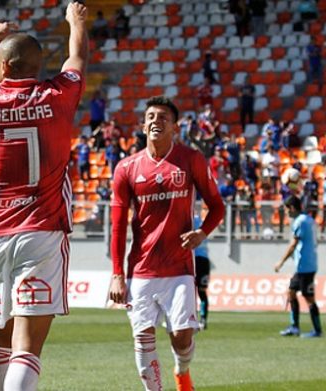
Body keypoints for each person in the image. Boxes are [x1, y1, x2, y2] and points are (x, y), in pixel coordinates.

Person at [0, 3, 87, 390]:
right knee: (27, 348)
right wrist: (75, 23)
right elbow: (77, 56)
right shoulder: (57, 96)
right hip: (41, 232)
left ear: (5, 67)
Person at [108, 96, 225, 391]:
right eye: (150, 116)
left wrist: (202, 233)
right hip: (141, 270)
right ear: (142, 125)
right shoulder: (126, 168)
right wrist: (117, 274)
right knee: (143, 338)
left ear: (175, 127)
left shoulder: (190, 159)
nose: (155, 121)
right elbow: (118, 226)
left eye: (163, 117)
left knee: (182, 337)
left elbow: (217, 206)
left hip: (179, 268)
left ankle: (182, 371)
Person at [274, 195, 323, 338]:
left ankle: (317, 330)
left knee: (309, 298)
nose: (286, 212)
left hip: (305, 266)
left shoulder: (300, 222)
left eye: (286, 209)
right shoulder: (309, 219)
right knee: (291, 292)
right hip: (305, 265)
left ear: (292, 208)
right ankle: (294, 327)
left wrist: (281, 262)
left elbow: (293, 244)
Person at [193, 214, 211, 330]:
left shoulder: (190, 220)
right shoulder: (204, 223)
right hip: (205, 261)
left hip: (194, 260)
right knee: (201, 292)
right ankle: (203, 320)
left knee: (191, 291)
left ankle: (191, 320)